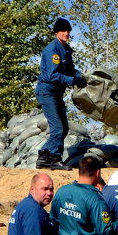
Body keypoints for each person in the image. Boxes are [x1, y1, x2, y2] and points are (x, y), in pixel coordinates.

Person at [35, 17, 85, 170]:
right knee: (57, 128)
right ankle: (55, 158)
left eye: (68, 30)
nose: (67, 33)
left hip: (56, 94)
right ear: (57, 32)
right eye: (63, 30)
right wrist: (72, 81)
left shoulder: (66, 50)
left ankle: (45, 158)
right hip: (47, 92)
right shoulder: (53, 50)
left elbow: (70, 70)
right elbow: (53, 75)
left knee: (63, 127)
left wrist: (82, 77)